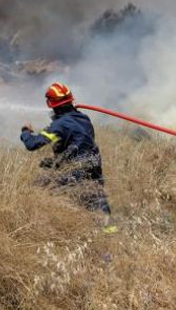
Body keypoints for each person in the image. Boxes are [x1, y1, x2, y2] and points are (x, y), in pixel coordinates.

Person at [21, 82, 115, 227]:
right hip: (94, 166)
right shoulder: (84, 119)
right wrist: (56, 163)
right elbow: (79, 145)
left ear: (50, 104)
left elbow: (32, 144)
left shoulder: (59, 125)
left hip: (76, 170)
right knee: (96, 200)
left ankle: (62, 227)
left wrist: (26, 132)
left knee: (39, 188)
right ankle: (109, 233)